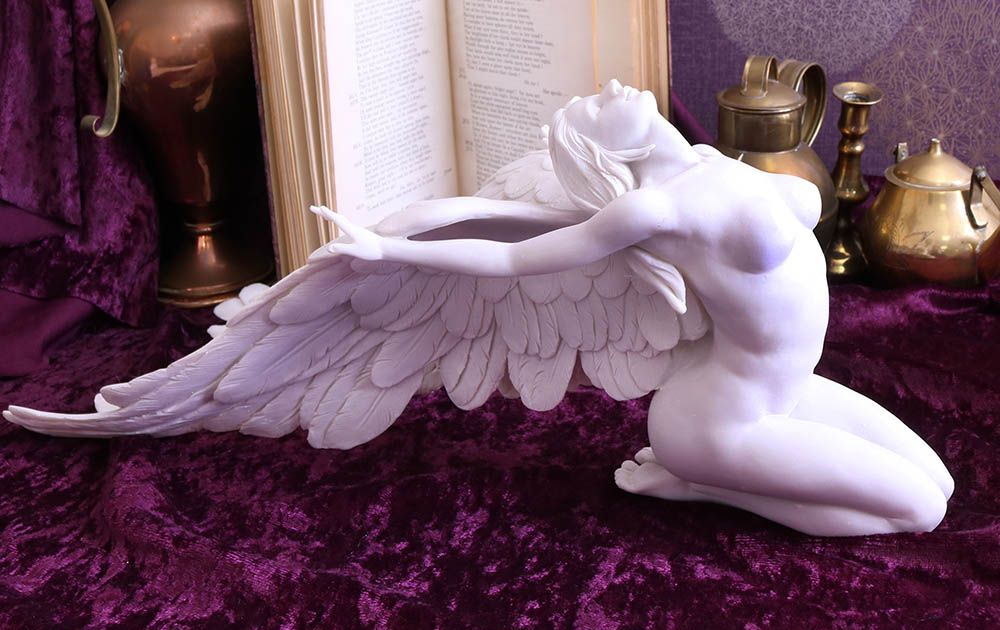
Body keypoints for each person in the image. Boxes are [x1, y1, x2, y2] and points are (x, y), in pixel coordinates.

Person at [327, 80, 953, 536]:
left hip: (785, 391)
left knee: (942, 483)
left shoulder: (707, 159)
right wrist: (388, 248)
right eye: (596, 108)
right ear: (605, 151)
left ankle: (713, 479)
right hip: (721, 416)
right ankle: (706, 485)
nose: (610, 88)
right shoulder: (651, 210)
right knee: (919, 512)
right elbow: (516, 258)